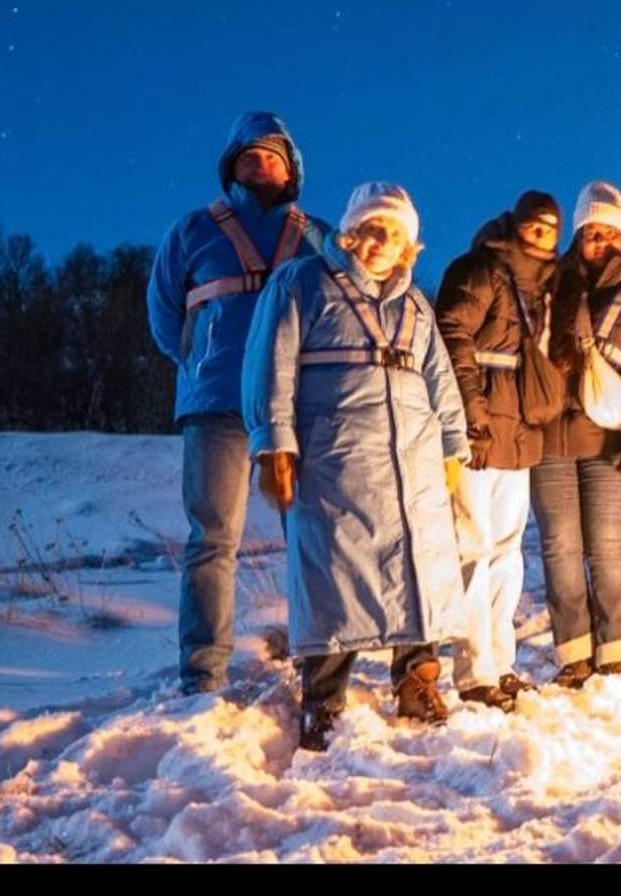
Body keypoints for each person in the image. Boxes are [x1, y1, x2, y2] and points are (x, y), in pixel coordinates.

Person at [242, 182, 470, 751]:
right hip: (335, 456)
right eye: (369, 229)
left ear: (409, 245)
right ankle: (324, 702)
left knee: (419, 570)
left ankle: (418, 681)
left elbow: (440, 377)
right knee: (330, 573)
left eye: (391, 233)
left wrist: (451, 447)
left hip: (412, 458)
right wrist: (274, 441)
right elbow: (271, 364)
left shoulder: (417, 304)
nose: (378, 242)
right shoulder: (301, 282)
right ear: (349, 233)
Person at [146, 111, 330, 695]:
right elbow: (163, 315)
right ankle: (202, 674)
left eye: (273, 155)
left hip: (295, 409)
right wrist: (201, 361)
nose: (261, 164)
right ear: (231, 166)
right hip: (217, 403)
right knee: (212, 538)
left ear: (291, 167)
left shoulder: (316, 235)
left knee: (309, 534)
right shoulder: (193, 231)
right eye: (249, 156)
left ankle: (319, 662)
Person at [535, 181, 621, 688]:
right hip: (550, 436)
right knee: (559, 545)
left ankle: (617, 648)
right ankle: (574, 651)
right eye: (591, 233)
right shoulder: (549, 282)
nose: (601, 242)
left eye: (611, 233)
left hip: (609, 438)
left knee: (607, 543)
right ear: (577, 236)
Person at [433, 190, 565, 711]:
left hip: (520, 435)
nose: (540, 236)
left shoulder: (546, 288)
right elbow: (451, 335)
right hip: (480, 428)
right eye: (533, 227)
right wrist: (471, 417)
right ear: (514, 227)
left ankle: (501, 662)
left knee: (507, 553)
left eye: (549, 230)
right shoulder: (479, 269)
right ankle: (472, 670)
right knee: (472, 547)